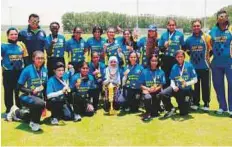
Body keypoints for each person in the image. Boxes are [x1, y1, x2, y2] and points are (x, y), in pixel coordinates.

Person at [6, 51, 47, 132]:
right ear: (33, 59)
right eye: (38, 58)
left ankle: (15, 111)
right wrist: (31, 91)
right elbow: (19, 87)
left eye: (42, 58)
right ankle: (34, 123)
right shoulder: (27, 70)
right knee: (40, 104)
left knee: (29, 116)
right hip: (26, 96)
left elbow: (44, 84)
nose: (40, 60)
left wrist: (45, 99)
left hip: (38, 97)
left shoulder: (44, 69)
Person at [158, 50, 197, 117]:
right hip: (176, 88)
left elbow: (195, 80)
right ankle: (170, 109)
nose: (180, 58)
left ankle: (186, 104)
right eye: (178, 57)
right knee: (163, 94)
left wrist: (187, 83)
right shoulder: (174, 67)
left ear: (184, 57)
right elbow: (172, 79)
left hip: (186, 90)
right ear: (175, 58)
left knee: (183, 113)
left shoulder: (189, 65)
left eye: (181, 56)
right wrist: (173, 86)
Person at [185, 19, 212, 111]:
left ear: (200, 26)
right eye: (194, 26)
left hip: (205, 66)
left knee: (205, 86)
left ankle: (206, 103)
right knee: (195, 86)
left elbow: (211, 50)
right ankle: (196, 102)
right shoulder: (189, 39)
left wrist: (206, 59)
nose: (196, 27)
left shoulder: (206, 37)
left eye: (198, 26)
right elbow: (186, 50)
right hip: (193, 67)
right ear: (192, 27)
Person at [209, 10, 232, 117]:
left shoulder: (231, 30)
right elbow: (209, 44)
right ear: (217, 19)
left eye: (223, 16)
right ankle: (222, 107)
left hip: (229, 63)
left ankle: (231, 108)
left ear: (227, 18)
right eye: (219, 16)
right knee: (218, 85)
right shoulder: (213, 30)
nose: (221, 18)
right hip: (216, 63)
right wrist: (208, 59)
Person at [1, 27, 28, 115]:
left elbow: (25, 58)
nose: (14, 36)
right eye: (11, 34)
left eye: (15, 34)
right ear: (8, 35)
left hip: (19, 72)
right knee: (8, 91)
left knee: (18, 91)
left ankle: (19, 109)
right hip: (8, 72)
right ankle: (9, 110)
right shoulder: (3, 46)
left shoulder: (21, 45)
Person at [158, 19, 185, 88]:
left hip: (175, 59)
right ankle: (166, 97)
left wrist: (181, 57)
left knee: (176, 78)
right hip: (166, 59)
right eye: (170, 25)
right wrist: (164, 46)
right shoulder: (164, 35)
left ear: (175, 26)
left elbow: (183, 47)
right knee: (166, 79)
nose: (171, 26)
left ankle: (178, 96)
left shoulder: (180, 35)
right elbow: (160, 49)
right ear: (167, 26)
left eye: (173, 25)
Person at [139, 55, 166, 121]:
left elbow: (161, 85)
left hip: (156, 92)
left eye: (155, 61)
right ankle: (147, 112)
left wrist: (155, 89)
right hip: (147, 92)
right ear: (149, 62)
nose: (154, 63)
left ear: (158, 62)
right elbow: (140, 85)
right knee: (147, 97)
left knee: (155, 114)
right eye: (152, 61)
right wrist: (148, 89)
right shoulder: (144, 71)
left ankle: (158, 108)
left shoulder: (161, 72)